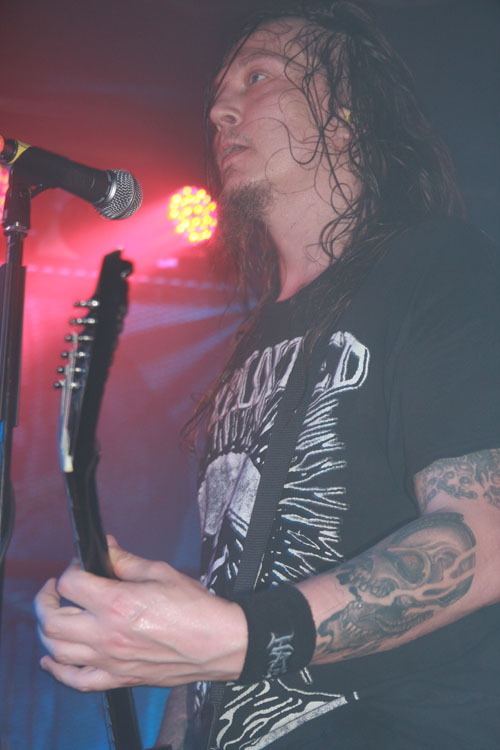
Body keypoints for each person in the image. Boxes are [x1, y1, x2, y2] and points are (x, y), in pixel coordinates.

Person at [35, 2, 500, 749]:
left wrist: (244, 635)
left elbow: (485, 537)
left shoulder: (439, 266)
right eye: (218, 94)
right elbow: (228, 601)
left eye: (258, 78)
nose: (220, 111)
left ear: (346, 112)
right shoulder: (251, 346)